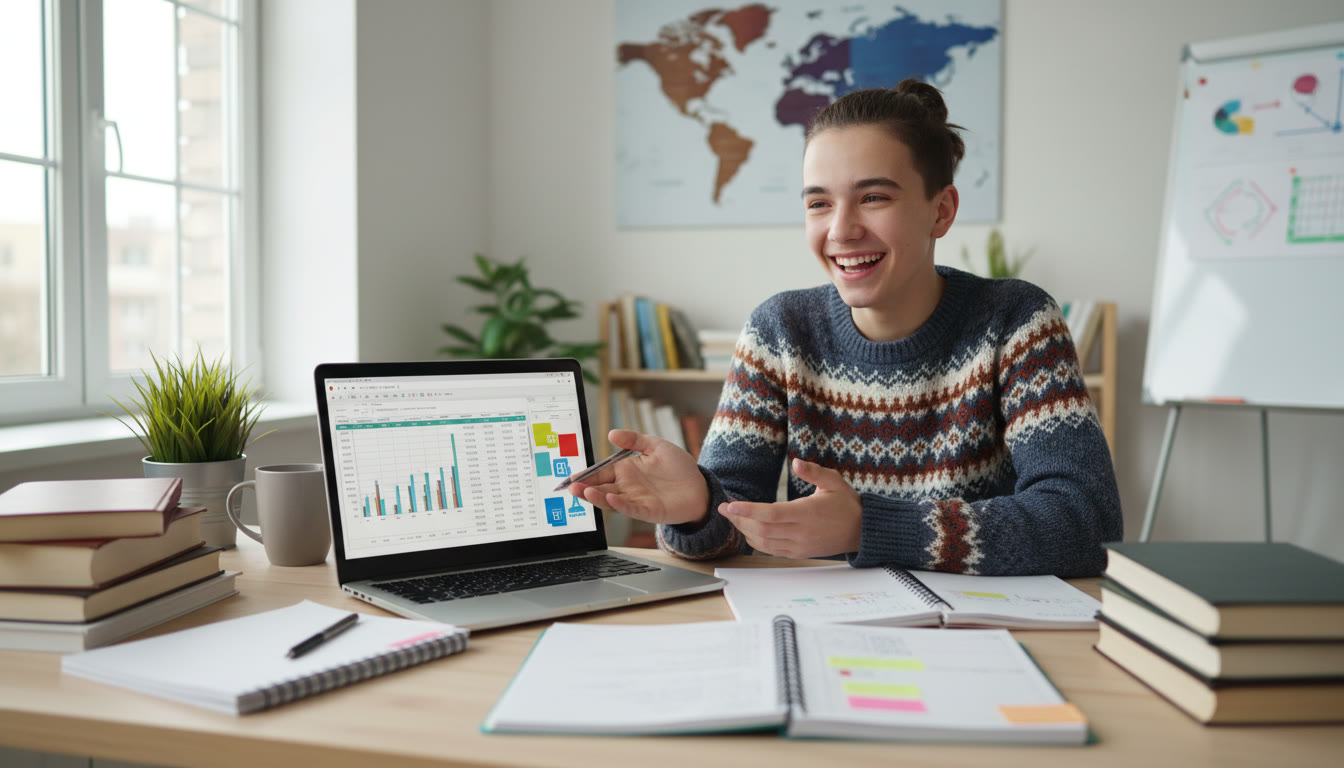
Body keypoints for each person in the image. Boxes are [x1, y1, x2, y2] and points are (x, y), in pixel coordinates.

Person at [569, 79, 1123, 577]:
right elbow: (733, 526)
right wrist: (698, 508)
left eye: (874, 197)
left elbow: (1086, 521)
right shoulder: (779, 330)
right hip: (815, 628)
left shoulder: (1016, 321)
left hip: (979, 633)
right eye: (818, 203)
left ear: (941, 211)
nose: (842, 229)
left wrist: (870, 528)